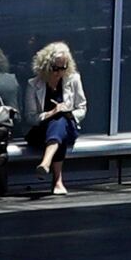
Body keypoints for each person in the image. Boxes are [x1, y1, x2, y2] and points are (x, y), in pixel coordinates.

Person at [29, 41, 89, 195]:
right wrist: (52, 112)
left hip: (68, 126)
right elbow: (30, 117)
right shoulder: (34, 84)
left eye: (63, 68)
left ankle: (46, 162)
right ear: (46, 66)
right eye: (55, 68)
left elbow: (82, 108)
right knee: (57, 122)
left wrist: (68, 113)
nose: (59, 72)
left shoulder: (73, 79)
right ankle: (57, 181)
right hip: (41, 130)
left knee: (61, 121)